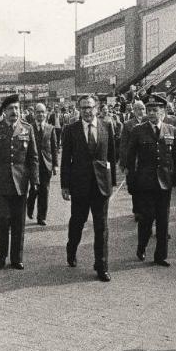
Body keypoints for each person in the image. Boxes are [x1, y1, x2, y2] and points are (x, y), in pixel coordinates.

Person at [61, 95, 116, 282]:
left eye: (90, 107)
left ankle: (101, 265)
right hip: (79, 185)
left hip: (101, 186)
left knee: (102, 227)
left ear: (97, 108)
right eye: (83, 107)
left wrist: (112, 182)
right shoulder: (70, 130)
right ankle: (72, 249)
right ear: (79, 109)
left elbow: (111, 156)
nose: (87, 111)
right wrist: (65, 186)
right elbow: (65, 160)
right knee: (78, 221)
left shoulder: (106, 126)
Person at [126, 101, 176, 267]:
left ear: (163, 112)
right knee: (146, 218)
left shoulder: (171, 130)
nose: (151, 113)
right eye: (149, 110)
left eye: (155, 110)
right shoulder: (138, 130)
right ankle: (141, 246)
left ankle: (161, 255)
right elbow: (130, 158)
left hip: (165, 182)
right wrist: (131, 181)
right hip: (145, 182)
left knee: (163, 219)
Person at [0, 94, 39, 270]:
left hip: (20, 184)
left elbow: (33, 157)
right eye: (10, 109)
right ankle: (2, 254)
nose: (14, 112)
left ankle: (17, 258)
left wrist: (35, 180)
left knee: (18, 222)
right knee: (2, 220)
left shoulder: (27, 129)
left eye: (16, 108)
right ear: (4, 112)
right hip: (0, 184)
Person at [27, 103, 58, 226]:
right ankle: (29, 206)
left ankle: (42, 217)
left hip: (46, 164)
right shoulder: (29, 128)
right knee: (34, 189)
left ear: (46, 114)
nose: (40, 114)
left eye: (42, 112)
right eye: (38, 112)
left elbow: (54, 147)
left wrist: (55, 164)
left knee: (44, 190)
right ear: (34, 114)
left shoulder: (51, 129)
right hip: (32, 164)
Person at [119, 100, 146, 221]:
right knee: (135, 187)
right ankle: (137, 211)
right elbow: (123, 145)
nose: (141, 111)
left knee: (146, 186)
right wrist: (124, 164)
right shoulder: (128, 124)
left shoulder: (149, 121)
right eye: (138, 109)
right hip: (133, 161)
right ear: (134, 111)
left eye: (143, 109)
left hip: (146, 161)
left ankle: (146, 210)